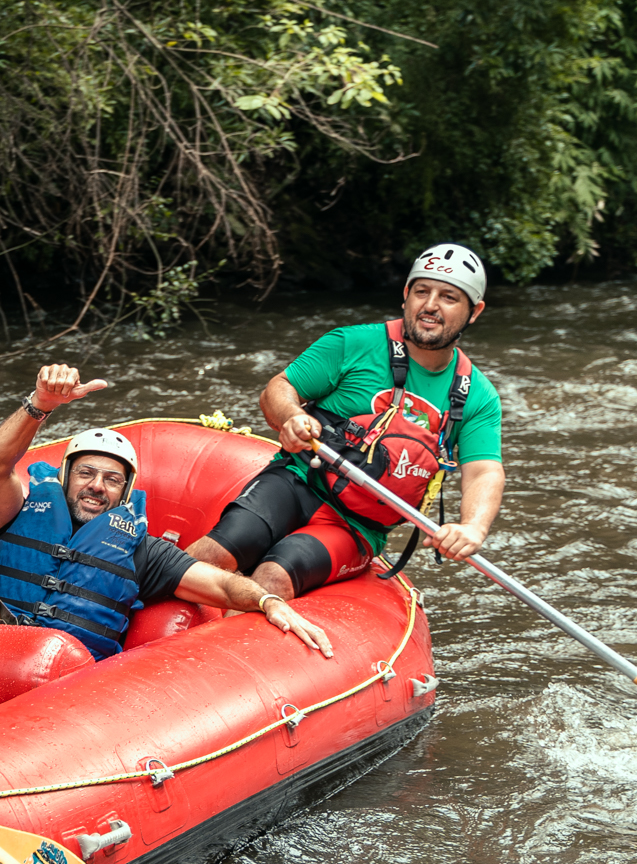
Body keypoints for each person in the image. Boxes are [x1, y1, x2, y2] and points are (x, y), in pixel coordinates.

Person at [183, 243, 507, 598]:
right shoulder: (351, 343)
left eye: (448, 297)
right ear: (405, 295)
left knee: (273, 577)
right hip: (299, 482)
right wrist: (291, 416)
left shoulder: (477, 394)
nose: (430, 305)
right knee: (214, 554)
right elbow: (280, 387)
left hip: (358, 526)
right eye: (421, 291)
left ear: (474, 311)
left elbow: (484, 470)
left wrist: (473, 527)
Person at [0, 364, 335, 659]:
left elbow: (221, 585)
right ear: (65, 478)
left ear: (125, 492)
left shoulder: (144, 552)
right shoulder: (15, 513)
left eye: (112, 480)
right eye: (85, 474)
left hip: (63, 672)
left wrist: (267, 600)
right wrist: (41, 403)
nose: (97, 485)